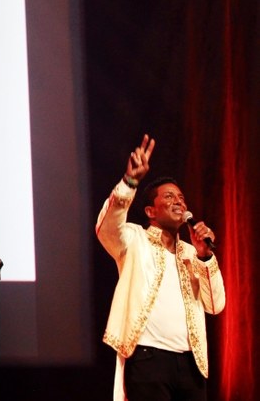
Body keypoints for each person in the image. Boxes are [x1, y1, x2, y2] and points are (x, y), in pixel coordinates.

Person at [96, 134, 226, 401]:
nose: (179, 202)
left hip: (191, 364)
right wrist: (130, 182)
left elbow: (215, 305)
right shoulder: (134, 240)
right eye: (169, 197)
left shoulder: (192, 253)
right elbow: (105, 227)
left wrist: (205, 258)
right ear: (151, 211)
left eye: (181, 197)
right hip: (148, 358)